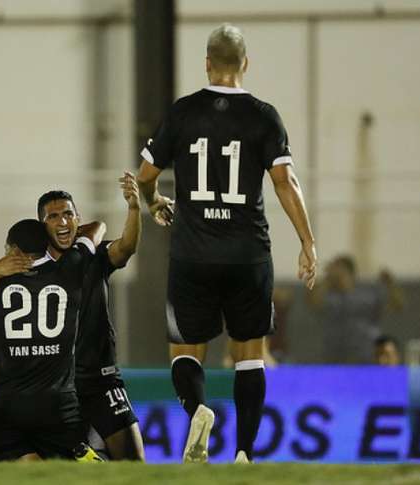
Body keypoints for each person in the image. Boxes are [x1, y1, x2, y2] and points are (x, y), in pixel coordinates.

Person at [136, 24, 317, 464]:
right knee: (250, 354)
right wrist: (307, 242)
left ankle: (199, 411)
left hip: (192, 255)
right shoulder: (263, 115)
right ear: (245, 64)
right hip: (248, 256)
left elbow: (144, 177)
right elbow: (285, 182)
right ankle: (243, 454)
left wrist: (154, 201)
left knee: (184, 351)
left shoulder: (182, 113)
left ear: (206, 64)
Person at [0, 173, 144, 461]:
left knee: (132, 462)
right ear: (41, 228)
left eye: (68, 215)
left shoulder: (92, 256)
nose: (63, 221)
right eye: (54, 217)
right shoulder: (20, 268)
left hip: (97, 378)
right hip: (55, 387)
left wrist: (134, 210)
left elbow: (126, 247)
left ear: (77, 219)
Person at [309, 255, 404, 365]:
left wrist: (390, 284)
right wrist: (326, 280)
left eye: (336, 267)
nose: (332, 271)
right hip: (336, 355)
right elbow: (313, 303)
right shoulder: (331, 296)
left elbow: (398, 306)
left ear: (346, 270)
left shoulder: (367, 294)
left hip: (366, 354)